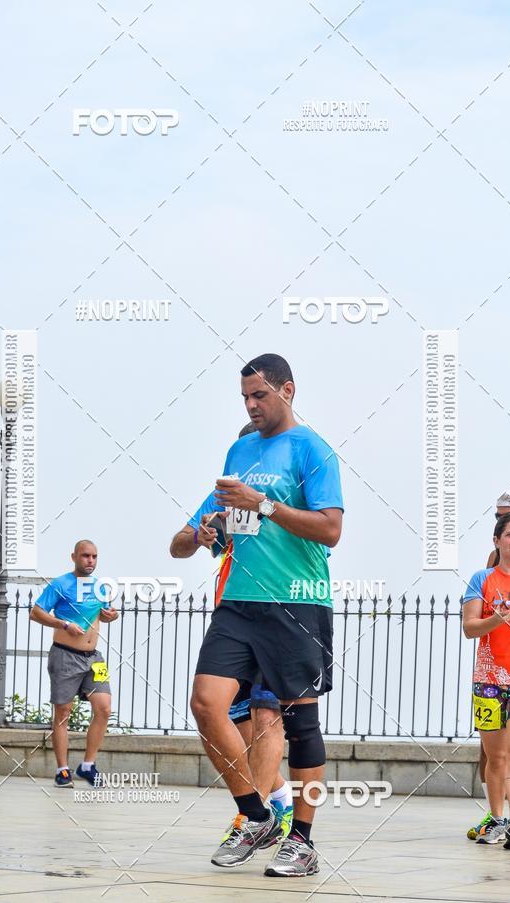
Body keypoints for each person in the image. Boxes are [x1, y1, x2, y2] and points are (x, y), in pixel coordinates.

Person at [182, 353, 343, 877]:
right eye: (245, 398)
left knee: (299, 723)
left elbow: (330, 530)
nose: (251, 405)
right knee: (206, 703)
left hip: (298, 601)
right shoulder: (240, 448)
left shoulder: (314, 451)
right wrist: (207, 530)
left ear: (287, 390)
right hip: (239, 605)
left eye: (260, 396)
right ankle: (256, 816)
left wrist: (265, 504)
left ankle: (303, 840)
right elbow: (202, 524)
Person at [170, 423, 294, 841]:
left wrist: (268, 510)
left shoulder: (287, 489)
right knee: (229, 724)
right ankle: (277, 801)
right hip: (234, 618)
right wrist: (202, 534)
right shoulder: (223, 493)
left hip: (282, 616)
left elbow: (320, 541)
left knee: (266, 718)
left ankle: (252, 823)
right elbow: (178, 544)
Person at [462, 513, 510, 850]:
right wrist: (497, 618)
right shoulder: (482, 579)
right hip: (488, 680)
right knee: (496, 756)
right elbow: (469, 628)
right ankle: (497, 817)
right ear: (497, 540)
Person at [30, 540, 118, 788]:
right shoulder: (61, 584)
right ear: (74, 557)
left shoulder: (100, 586)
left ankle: (88, 766)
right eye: (85, 556)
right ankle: (62, 770)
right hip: (65, 656)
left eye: (94, 557)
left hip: (94, 658)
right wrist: (63, 624)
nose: (90, 560)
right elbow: (35, 612)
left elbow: (105, 614)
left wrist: (113, 615)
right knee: (63, 713)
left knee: (104, 708)